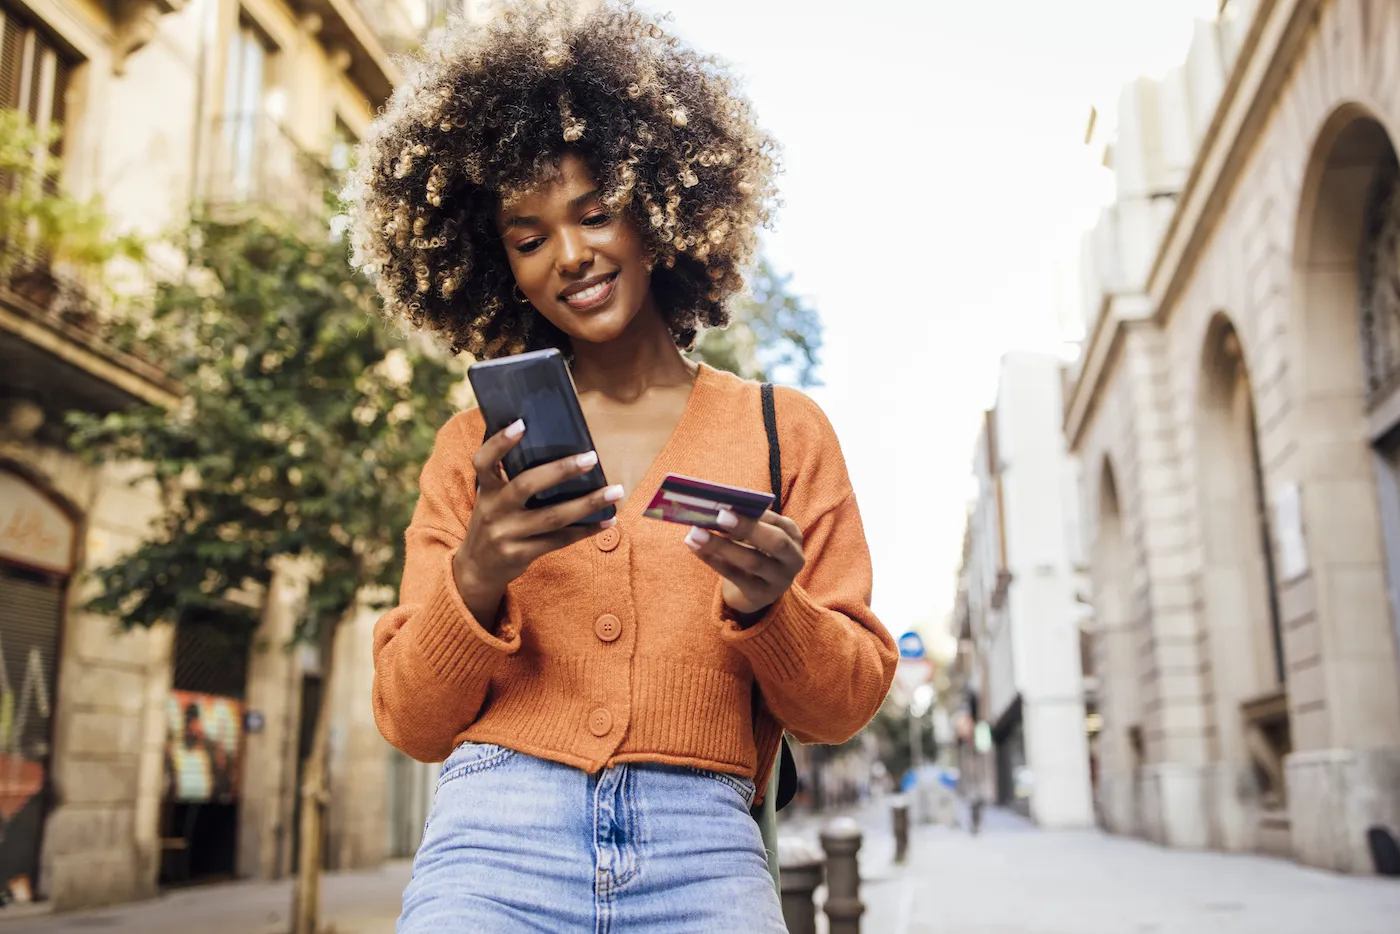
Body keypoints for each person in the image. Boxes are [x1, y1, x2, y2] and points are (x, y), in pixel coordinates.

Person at [345, 2, 897, 930]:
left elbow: (841, 704)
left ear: (659, 209)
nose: (570, 255)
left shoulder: (782, 431)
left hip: (703, 847)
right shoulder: (471, 447)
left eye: (595, 213)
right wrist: (478, 572)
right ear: (495, 265)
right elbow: (412, 720)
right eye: (527, 238)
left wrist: (773, 608)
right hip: (494, 842)